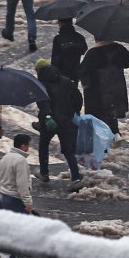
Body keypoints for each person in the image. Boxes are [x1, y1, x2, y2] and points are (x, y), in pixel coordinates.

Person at [34, 59, 84, 187]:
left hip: (50, 122)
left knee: (44, 146)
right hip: (66, 121)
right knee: (68, 151)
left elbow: (43, 103)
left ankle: (44, 174)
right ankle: (76, 179)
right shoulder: (66, 81)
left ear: (39, 70)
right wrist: (73, 112)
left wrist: (48, 116)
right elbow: (78, 99)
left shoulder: (41, 85)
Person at [79, 39, 129, 135]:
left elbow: (82, 71)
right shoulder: (119, 48)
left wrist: (85, 84)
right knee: (112, 110)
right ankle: (114, 131)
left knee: (99, 112)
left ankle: (101, 134)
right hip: (116, 86)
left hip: (98, 89)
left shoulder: (93, 52)